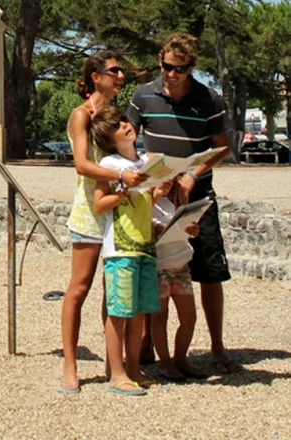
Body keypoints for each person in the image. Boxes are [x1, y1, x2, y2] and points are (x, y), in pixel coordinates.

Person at [127, 33, 238, 374]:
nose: (170, 74)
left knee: (209, 273)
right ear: (159, 60)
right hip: (156, 201)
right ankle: (146, 344)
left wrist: (192, 173)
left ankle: (217, 348)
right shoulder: (142, 95)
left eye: (178, 69)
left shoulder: (210, 100)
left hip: (198, 198)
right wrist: (146, 171)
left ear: (191, 68)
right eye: (165, 66)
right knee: (151, 270)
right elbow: (128, 142)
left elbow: (222, 147)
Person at [59, 51, 147, 394]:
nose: (121, 75)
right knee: (79, 287)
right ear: (96, 77)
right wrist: (123, 176)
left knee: (116, 292)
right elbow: (81, 164)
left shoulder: (113, 115)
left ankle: (117, 367)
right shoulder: (80, 115)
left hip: (118, 210)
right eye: (114, 70)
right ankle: (70, 366)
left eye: (120, 70)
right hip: (89, 211)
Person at [92, 106, 171, 396]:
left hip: (145, 248)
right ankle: (117, 373)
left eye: (125, 122)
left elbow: (149, 200)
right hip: (119, 250)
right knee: (119, 313)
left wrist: (159, 190)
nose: (126, 127)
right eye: (118, 126)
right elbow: (99, 205)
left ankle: (135, 368)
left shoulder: (143, 162)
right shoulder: (108, 165)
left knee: (138, 314)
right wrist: (122, 189)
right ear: (109, 139)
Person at [151, 184, 207, 381]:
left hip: (180, 264)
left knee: (189, 317)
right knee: (160, 317)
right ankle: (164, 362)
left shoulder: (174, 203)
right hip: (159, 267)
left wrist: (193, 230)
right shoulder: (146, 204)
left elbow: (188, 230)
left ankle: (181, 359)